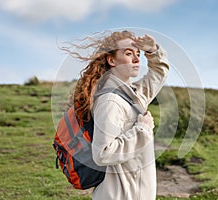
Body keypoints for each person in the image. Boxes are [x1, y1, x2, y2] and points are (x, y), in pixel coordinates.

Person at [71, 30, 169, 200]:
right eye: (129, 53)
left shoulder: (134, 94)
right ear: (111, 60)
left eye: (138, 54)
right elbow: (103, 153)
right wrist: (142, 130)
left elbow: (158, 74)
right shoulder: (110, 101)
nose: (137, 59)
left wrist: (152, 52)